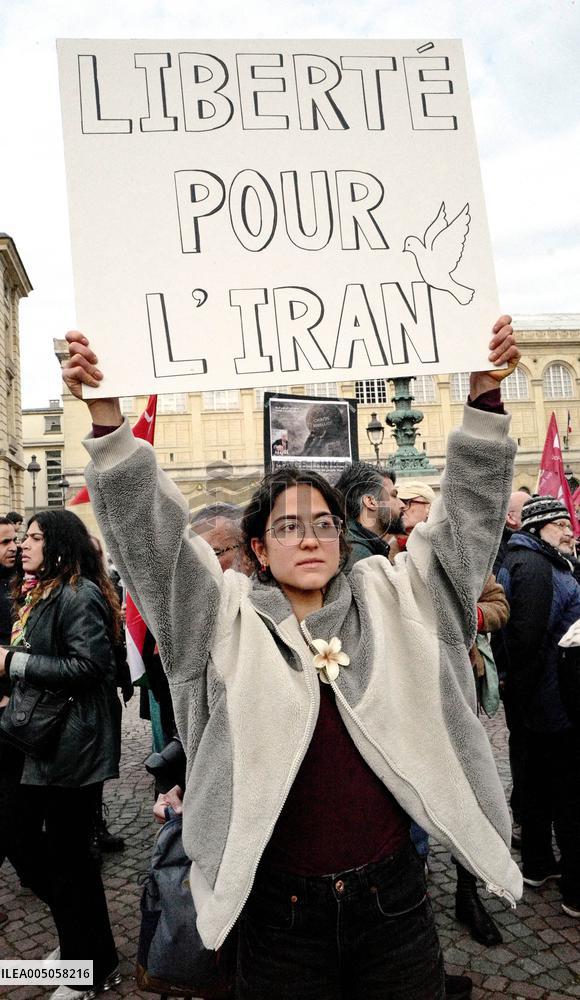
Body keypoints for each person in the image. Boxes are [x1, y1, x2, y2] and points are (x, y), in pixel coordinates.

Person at [63, 317, 521, 1000]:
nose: (308, 538)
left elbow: (468, 526)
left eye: (323, 524)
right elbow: (152, 545)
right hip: (279, 914)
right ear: (257, 549)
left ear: (341, 537)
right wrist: (107, 422)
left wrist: (484, 402)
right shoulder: (215, 622)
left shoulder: (399, 601)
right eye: (286, 526)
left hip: (395, 904)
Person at [0, 509, 123, 998]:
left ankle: (87, 965)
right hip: (43, 741)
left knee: (69, 858)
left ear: (58, 545)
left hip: (71, 746)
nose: (23, 544)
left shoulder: (77, 593)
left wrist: (15, 662)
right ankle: (83, 948)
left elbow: (89, 666)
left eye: (34, 536)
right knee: (38, 849)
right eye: (23, 536)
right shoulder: (43, 591)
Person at [496, 495, 580, 918]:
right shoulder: (533, 566)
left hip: (545, 697)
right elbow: (524, 639)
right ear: (537, 527)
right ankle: (572, 887)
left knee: (539, 781)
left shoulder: (539, 559)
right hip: (552, 700)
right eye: (560, 523)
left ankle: (538, 864)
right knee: (566, 790)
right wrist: (524, 696)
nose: (569, 530)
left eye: (569, 522)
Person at [334, 461, 404, 569]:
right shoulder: (360, 557)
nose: (402, 505)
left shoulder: (358, 546)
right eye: (394, 496)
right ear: (370, 502)